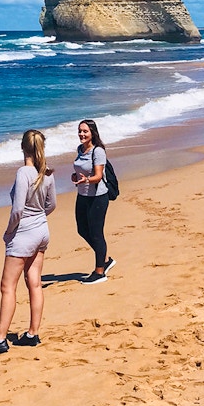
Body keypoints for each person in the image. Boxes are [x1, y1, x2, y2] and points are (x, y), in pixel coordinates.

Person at [0, 130, 56, 355]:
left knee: (7, 286)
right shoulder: (47, 172)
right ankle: (32, 333)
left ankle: (1, 337)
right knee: (35, 283)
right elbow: (51, 205)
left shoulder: (24, 172)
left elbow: (18, 209)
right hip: (42, 230)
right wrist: (38, 218)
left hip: (24, 234)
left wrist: (9, 231)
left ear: (23, 148)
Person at [71, 119, 116, 285]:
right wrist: (76, 177)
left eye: (85, 131)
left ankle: (100, 272)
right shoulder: (80, 149)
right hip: (82, 195)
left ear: (92, 133)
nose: (82, 134)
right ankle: (105, 259)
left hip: (98, 197)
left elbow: (98, 176)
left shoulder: (98, 151)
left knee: (96, 233)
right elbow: (81, 169)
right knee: (82, 230)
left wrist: (86, 180)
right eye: (80, 131)